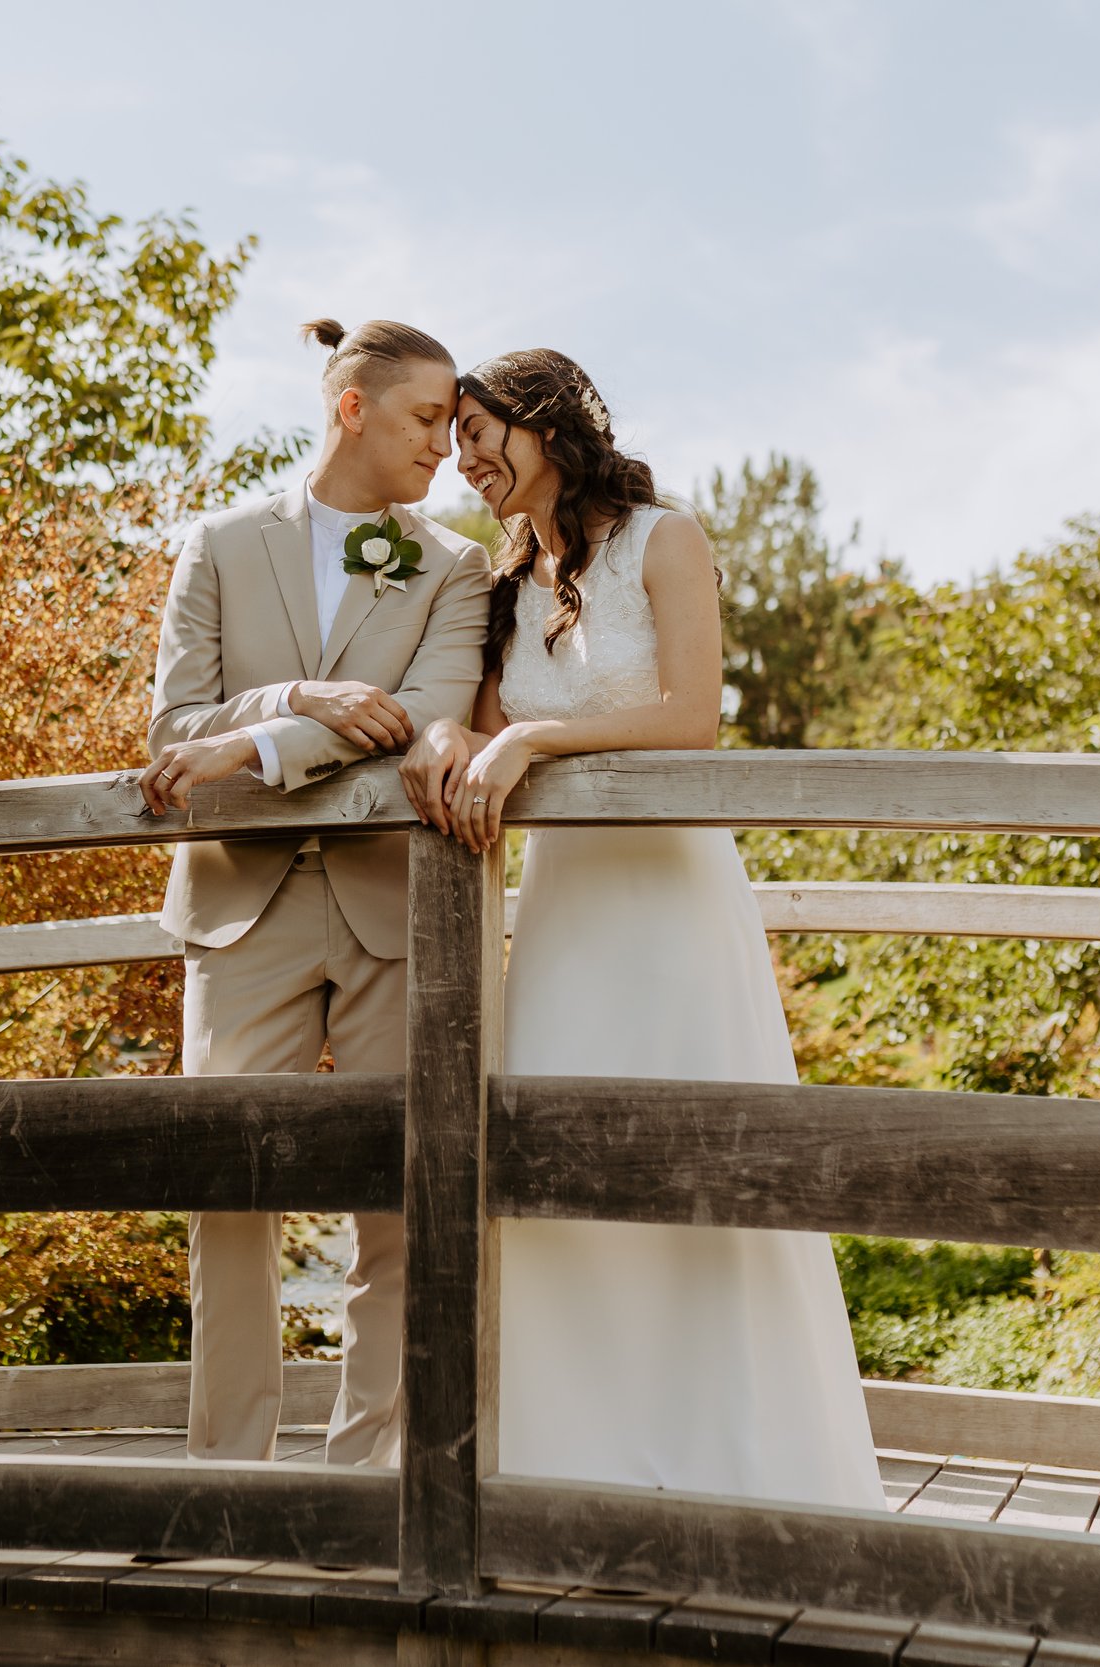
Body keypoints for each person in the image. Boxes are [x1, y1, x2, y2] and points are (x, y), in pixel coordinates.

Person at [399, 350, 882, 1508]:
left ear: (548, 423)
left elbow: (689, 718)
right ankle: (577, 1465)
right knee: (554, 1167)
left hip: (669, 897)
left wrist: (530, 742)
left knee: (701, 1158)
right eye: (452, 437)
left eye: (478, 433)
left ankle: (736, 1464)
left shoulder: (667, 538)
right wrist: (455, 744)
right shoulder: (508, 578)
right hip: (562, 910)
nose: (461, 459)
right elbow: (469, 732)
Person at [138, 319, 492, 1465]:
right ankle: (226, 1479)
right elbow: (167, 730)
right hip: (237, 906)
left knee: (395, 1198)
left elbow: (419, 725)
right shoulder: (220, 543)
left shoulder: (455, 567)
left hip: (394, 909)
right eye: (426, 418)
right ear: (353, 407)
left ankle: (363, 1483)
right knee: (225, 1195)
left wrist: (260, 744)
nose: (447, 444)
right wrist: (306, 693)